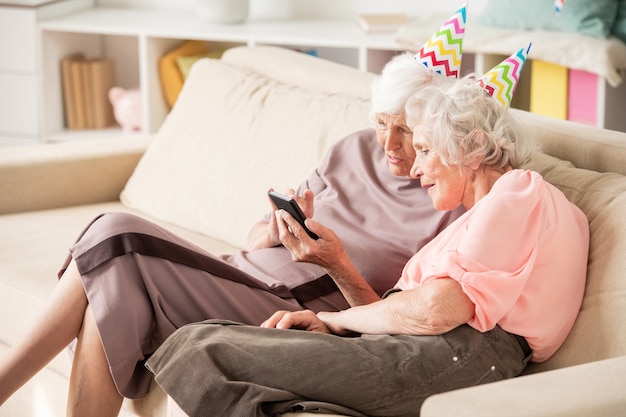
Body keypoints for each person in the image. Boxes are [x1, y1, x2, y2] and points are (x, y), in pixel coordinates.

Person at [0, 21, 469, 417]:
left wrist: (337, 264)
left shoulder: (450, 204)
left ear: (438, 126)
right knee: (106, 291)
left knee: (113, 234)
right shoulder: (353, 148)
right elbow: (251, 239)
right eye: (383, 123)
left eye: (407, 131)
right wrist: (272, 231)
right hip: (234, 273)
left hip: (292, 310)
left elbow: (394, 321)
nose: (389, 145)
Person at [145, 47, 590, 417]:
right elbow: (405, 314)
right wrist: (333, 327)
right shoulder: (478, 220)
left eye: (425, 149)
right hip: (421, 348)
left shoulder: (520, 191)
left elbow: (438, 309)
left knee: (203, 348)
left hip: (465, 353)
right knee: (226, 357)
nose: (414, 168)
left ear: (471, 149)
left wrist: (334, 319)